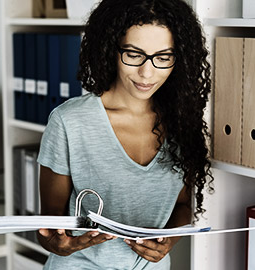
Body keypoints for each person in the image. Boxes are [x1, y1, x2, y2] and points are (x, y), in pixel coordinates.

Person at [36, 0, 213, 269]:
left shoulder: (182, 122)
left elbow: (182, 205)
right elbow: (49, 227)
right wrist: (60, 245)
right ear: (111, 49)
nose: (147, 72)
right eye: (133, 54)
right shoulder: (69, 121)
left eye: (163, 58)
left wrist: (169, 241)